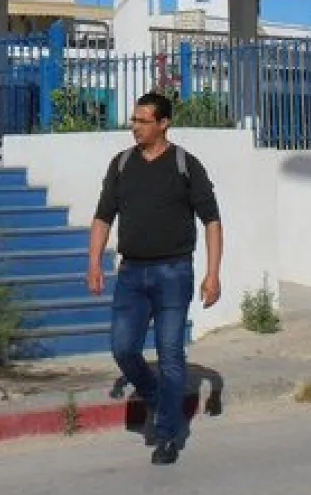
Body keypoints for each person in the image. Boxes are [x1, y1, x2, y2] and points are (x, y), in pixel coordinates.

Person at [87, 92, 223, 466]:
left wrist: (213, 274)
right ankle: (156, 396)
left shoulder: (185, 164)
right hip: (131, 274)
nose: (135, 127)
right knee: (122, 347)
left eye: (143, 121)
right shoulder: (122, 165)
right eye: (133, 120)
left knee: (170, 355)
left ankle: (167, 435)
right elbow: (103, 217)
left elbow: (211, 220)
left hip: (173, 273)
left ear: (163, 124)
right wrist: (94, 262)